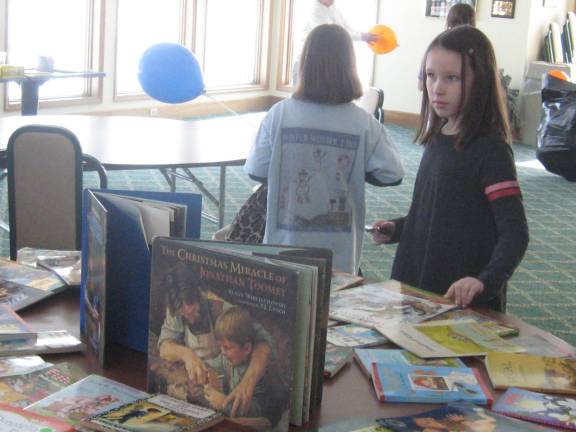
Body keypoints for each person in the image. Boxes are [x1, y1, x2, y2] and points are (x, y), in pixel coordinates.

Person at [370, 26, 528, 312]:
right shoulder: (439, 135)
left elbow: (515, 233)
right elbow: (437, 213)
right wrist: (399, 228)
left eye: (452, 78)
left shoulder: (491, 150)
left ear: (480, 80)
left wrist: (484, 281)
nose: (437, 88)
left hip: (459, 298)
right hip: (419, 282)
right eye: (431, 75)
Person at [244, 24, 404, 275]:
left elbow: (256, 169)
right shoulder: (362, 122)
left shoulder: (280, 114)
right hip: (339, 255)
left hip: (283, 249)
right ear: (350, 66)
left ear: (304, 63)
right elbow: (392, 173)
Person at [157, 263, 274, 417]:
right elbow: (164, 346)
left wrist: (248, 383)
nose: (190, 319)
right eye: (185, 315)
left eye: (193, 311)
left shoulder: (224, 309)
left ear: (198, 294)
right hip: (207, 381)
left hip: (228, 385)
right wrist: (187, 355)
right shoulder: (178, 306)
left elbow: (263, 342)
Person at [204, 306, 289, 427]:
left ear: (247, 348)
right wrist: (205, 369)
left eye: (227, 347)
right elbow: (212, 363)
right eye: (220, 346)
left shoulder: (259, 376)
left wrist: (223, 402)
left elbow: (256, 411)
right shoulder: (228, 359)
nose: (222, 352)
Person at [293, 0, 377, 84]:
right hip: (307, 63)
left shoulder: (335, 9)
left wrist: (363, 36)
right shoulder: (313, 10)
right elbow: (330, 34)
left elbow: (346, 29)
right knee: (302, 95)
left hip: (326, 63)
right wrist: (362, 37)